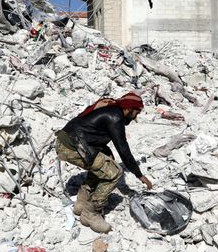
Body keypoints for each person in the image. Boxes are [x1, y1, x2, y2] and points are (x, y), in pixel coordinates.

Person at [55, 92, 153, 233]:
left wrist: (106, 151)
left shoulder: (110, 109)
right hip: (71, 147)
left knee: (104, 164)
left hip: (68, 142)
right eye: (137, 112)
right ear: (130, 109)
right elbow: (123, 150)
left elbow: (91, 132)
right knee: (114, 173)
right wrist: (139, 175)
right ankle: (91, 213)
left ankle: (81, 203)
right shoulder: (115, 117)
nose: (136, 117)